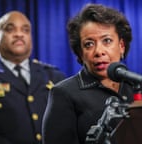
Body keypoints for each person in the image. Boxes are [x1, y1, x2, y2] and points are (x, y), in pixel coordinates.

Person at [42, 3, 137, 144]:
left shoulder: (137, 86)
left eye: (107, 41)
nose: (99, 51)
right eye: (89, 44)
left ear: (121, 46)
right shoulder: (64, 94)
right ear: (80, 53)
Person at [0, 11, 65, 144]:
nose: (19, 34)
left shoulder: (54, 76)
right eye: (10, 29)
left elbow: (65, 124)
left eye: (25, 30)